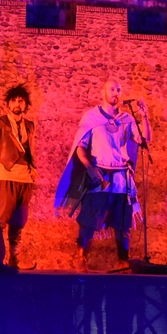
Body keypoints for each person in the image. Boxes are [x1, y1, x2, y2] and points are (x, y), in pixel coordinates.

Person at [54, 78, 150, 272]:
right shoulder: (91, 117)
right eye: (112, 89)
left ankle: (123, 260)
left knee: (123, 223)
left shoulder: (127, 119)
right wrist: (90, 167)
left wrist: (145, 117)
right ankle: (81, 257)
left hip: (122, 178)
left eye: (118, 90)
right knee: (89, 219)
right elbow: (80, 147)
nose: (115, 93)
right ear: (103, 92)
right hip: (100, 176)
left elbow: (145, 139)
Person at [0, 83, 37, 269]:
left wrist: (33, 169)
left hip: (24, 179)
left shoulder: (29, 126)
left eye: (21, 101)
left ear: (26, 104)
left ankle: (14, 259)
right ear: (8, 103)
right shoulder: (0, 124)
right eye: (14, 100)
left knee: (18, 222)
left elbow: (31, 150)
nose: (17, 104)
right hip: (5, 177)